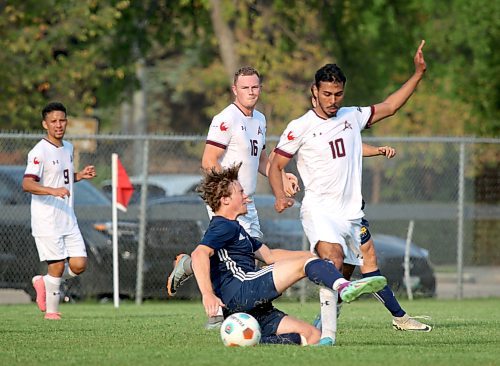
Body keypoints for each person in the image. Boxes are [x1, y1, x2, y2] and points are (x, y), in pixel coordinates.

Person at [268, 41, 432, 344]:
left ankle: (398, 318)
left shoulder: (351, 116)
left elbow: (391, 106)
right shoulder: (301, 126)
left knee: (363, 267)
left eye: (338, 94)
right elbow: (274, 164)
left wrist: (418, 73)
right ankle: (326, 337)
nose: (332, 100)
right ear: (314, 91)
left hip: (351, 212)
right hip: (319, 209)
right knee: (333, 260)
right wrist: (280, 195)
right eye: (327, 94)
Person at [190, 163, 387, 345]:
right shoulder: (222, 225)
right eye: (241, 192)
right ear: (225, 200)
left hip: (249, 306)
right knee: (306, 264)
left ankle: (256, 341)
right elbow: (199, 254)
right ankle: (343, 286)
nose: (247, 197)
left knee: (312, 336)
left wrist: (310, 258)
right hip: (242, 290)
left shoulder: (236, 228)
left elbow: (270, 255)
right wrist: (207, 294)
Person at [166, 66, 298, 328]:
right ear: (234, 90)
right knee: (242, 254)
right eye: (246, 87)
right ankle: (219, 315)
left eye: (255, 87)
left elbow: (260, 158)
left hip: (245, 200)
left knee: (243, 252)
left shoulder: (259, 119)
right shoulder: (225, 118)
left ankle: (189, 266)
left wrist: (281, 177)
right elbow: (208, 161)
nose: (251, 92)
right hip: (228, 201)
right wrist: (230, 192)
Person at [22, 102, 96, 320]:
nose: (58, 125)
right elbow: (27, 183)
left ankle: (44, 281)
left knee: (79, 264)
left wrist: (79, 176)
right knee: (56, 265)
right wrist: (51, 191)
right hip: (47, 218)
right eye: (53, 121)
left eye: (62, 120)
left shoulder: (69, 148)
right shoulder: (39, 151)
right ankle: (52, 313)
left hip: (67, 216)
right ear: (45, 124)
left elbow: (63, 177)